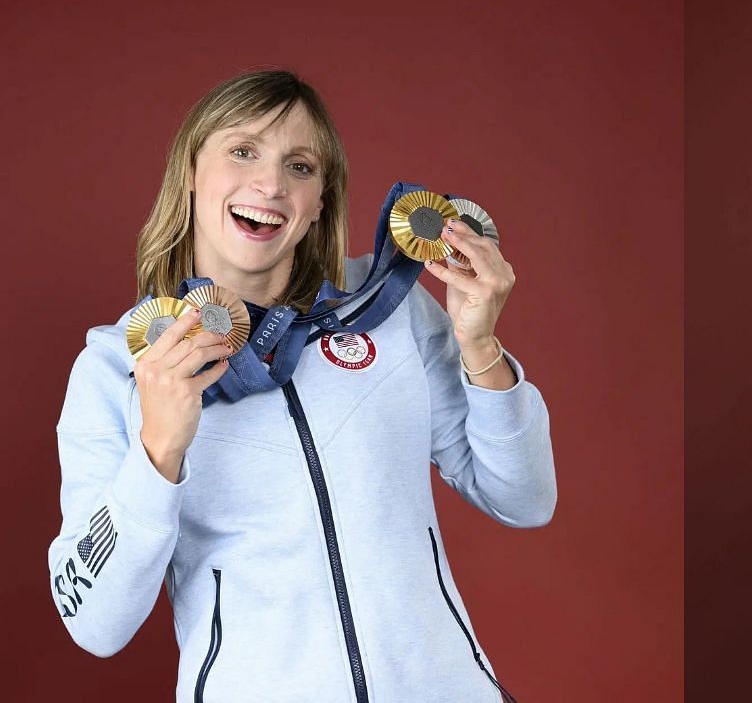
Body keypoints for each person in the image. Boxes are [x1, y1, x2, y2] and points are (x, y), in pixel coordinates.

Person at [48, 70, 555, 702]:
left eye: (300, 166)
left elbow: (524, 499)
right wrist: (159, 451)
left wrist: (480, 347)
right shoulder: (117, 368)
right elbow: (96, 624)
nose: (270, 185)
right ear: (190, 173)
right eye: (242, 151)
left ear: (321, 201)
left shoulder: (391, 308)